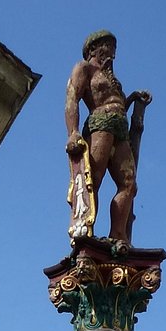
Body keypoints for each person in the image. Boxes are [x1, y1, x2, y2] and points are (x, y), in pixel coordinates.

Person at [66, 30, 151, 244]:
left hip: (120, 129)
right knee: (93, 179)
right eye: (107, 46)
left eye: (113, 47)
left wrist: (132, 98)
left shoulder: (113, 80)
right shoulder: (84, 69)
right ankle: (86, 229)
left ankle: (118, 235)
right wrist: (73, 132)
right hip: (100, 124)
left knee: (129, 185)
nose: (112, 52)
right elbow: (72, 99)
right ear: (93, 49)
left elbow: (118, 102)